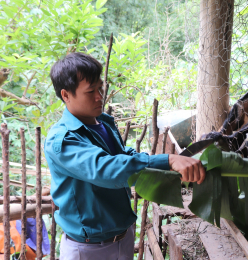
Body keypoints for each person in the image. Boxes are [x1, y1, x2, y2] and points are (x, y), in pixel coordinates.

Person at [44, 52, 205, 260]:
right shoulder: (62, 140)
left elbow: (122, 154)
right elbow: (107, 169)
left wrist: (163, 165)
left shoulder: (103, 122)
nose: (99, 97)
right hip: (88, 249)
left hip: (123, 236)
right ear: (66, 95)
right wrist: (169, 160)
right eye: (90, 91)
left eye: (100, 88)